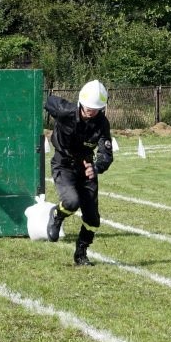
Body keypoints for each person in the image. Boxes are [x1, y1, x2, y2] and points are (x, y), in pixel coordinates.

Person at [44, 80, 114, 266]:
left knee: (92, 218)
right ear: (81, 102)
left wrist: (97, 167)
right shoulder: (64, 110)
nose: (91, 111)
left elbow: (106, 153)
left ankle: (81, 254)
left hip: (86, 167)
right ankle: (57, 215)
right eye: (89, 107)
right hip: (63, 164)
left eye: (96, 108)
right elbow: (48, 101)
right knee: (71, 202)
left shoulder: (101, 123)